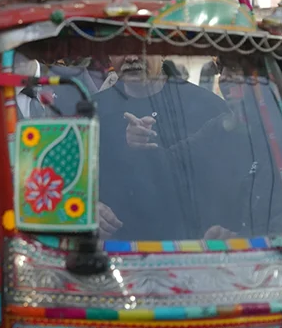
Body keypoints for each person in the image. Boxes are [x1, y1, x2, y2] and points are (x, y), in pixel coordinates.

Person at [93, 53, 242, 241]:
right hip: (112, 255)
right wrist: (86, 209)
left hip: (193, 255)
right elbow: (62, 183)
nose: (130, 57)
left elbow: (237, 188)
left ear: (162, 50)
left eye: (141, 46)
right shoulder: (90, 111)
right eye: (120, 49)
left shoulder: (208, 107)